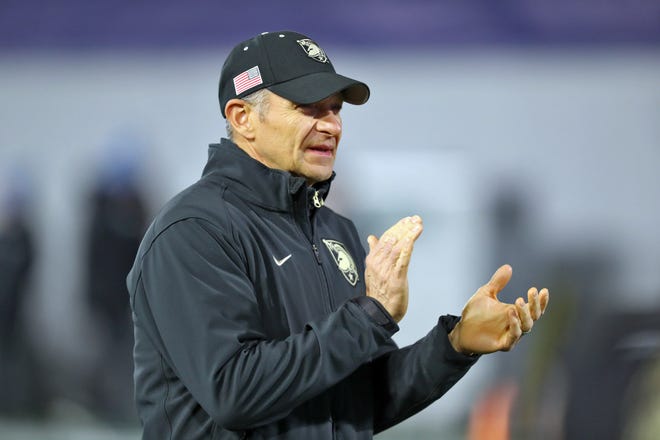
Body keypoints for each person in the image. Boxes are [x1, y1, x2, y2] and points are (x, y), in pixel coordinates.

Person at [127, 30, 549, 440]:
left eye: (335, 109)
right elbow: (235, 391)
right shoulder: (195, 232)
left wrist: (454, 345)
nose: (331, 126)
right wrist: (369, 315)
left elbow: (357, 405)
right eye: (309, 108)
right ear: (243, 118)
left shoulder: (333, 229)